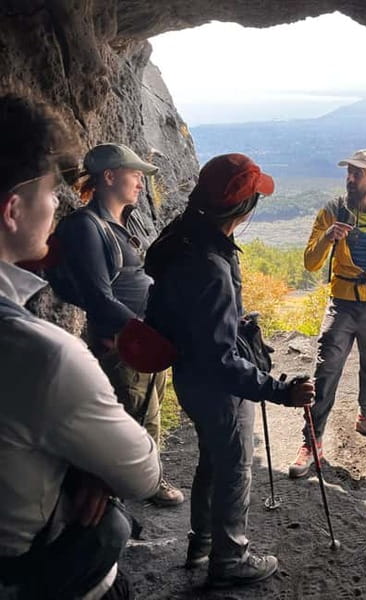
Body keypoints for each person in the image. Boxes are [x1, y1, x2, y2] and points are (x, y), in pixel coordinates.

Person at [0, 96, 161, 598]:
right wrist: (90, 466)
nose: (55, 206)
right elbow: (141, 471)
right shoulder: (43, 356)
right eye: (49, 193)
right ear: (12, 210)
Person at [144, 153, 315, 588]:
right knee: (235, 466)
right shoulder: (211, 266)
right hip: (214, 385)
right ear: (241, 210)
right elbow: (220, 358)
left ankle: (202, 541)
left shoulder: (183, 238)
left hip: (187, 374)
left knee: (213, 460)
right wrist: (280, 391)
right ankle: (230, 557)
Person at [50, 142, 183, 507]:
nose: (141, 182)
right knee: (126, 420)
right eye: (134, 174)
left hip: (144, 340)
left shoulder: (124, 220)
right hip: (123, 345)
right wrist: (142, 333)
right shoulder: (87, 228)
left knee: (148, 415)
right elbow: (98, 297)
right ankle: (107, 500)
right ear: (109, 176)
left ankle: (147, 480)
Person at [289, 149, 366, 478]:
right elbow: (310, 262)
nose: (350, 178)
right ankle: (311, 440)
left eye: (358, 173)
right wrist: (329, 237)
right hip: (342, 302)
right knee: (326, 368)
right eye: (349, 172)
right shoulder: (332, 211)